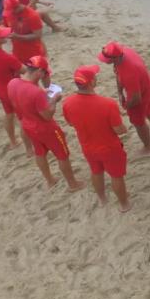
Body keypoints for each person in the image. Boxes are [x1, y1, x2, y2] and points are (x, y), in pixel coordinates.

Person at [8, 56, 84, 192]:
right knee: (62, 155)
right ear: (39, 71)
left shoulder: (13, 83)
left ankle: (50, 180)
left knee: (40, 153)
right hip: (46, 128)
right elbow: (48, 115)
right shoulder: (35, 92)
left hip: (28, 124)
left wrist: (42, 96)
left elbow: (20, 101)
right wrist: (54, 99)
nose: (45, 76)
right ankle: (72, 184)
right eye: (45, 73)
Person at [62, 65, 132, 212]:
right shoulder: (108, 104)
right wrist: (124, 127)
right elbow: (119, 130)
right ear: (92, 82)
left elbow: (70, 123)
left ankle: (102, 198)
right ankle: (124, 204)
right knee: (116, 176)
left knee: (96, 172)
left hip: (87, 146)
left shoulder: (68, 103)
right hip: (109, 147)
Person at [97, 41, 150, 156]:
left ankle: (148, 146)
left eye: (108, 58)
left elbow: (136, 99)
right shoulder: (125, 52)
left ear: (115, 58)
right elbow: (118, 74)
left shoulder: (129, 72)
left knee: (138, 122)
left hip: (139, 95)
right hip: (146, 85)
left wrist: (126, 106)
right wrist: (120, 92)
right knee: (149, 111)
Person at [2, 0, 46, 64]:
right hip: (17, 53)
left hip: (33, 53)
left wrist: (18, 37)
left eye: (11, 11)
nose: (10, 13)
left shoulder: (32, 16)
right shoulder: (8, 14)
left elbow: (38, 35)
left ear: (17, 6)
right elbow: (5, 26)